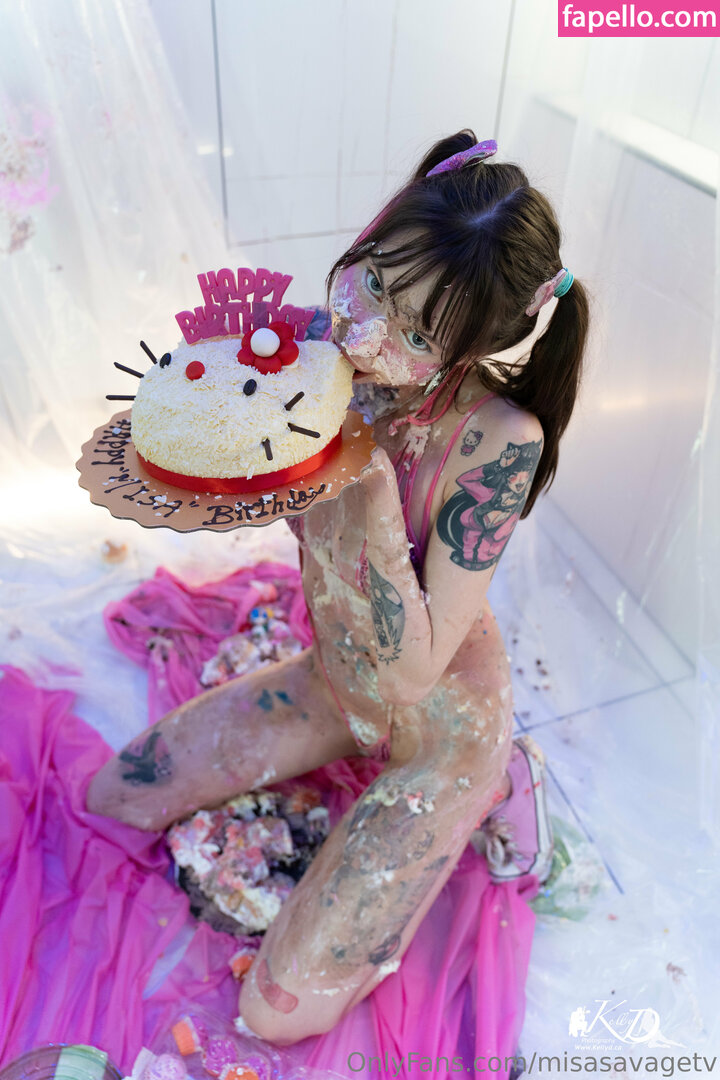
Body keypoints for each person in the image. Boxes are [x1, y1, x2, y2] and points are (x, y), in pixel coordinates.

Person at [86, 130, 590, 1045]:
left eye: (416, 334)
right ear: (371, 232)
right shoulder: (314, 356)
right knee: (117, 796)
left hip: (438, 726)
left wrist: (362, 481)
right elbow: (219, 444)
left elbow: (412, 675)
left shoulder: (497, 442)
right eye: (375, 281)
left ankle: (505, 778)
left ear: (466, 351)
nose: (365, 332)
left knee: (274, 1014)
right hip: (334, 678)